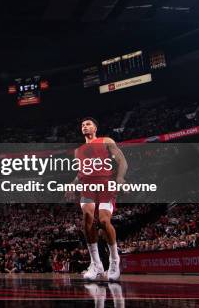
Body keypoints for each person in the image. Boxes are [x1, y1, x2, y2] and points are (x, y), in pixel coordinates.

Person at [67, 117, 127, 281]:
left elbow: (122, 160)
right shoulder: (78, 151)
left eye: (88, 124)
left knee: (104, 221)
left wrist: (120, 177)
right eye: (82, 125)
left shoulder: (106, 141)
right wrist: (73, 183)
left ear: (95, 128)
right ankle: (96, 263)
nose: (84, 126)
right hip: (87, 187)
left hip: (106, 184)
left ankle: (114, 259)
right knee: (87, 217)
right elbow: (81, 172)